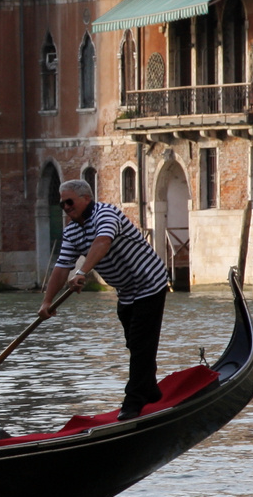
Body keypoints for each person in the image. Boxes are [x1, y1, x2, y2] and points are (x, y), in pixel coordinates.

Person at [39, 178, 172, 420]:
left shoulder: (106, 213)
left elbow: (103, 242)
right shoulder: (71, 231)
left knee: (142, 343)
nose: (66, 207)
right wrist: (46, 302)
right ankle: (150, 389)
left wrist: (82, 272)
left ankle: (133, 401)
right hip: (126, 291)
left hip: (150, 283)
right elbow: (61, 268)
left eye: (70, 202)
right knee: (134, 343)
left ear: (86, 198)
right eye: (62, 204)